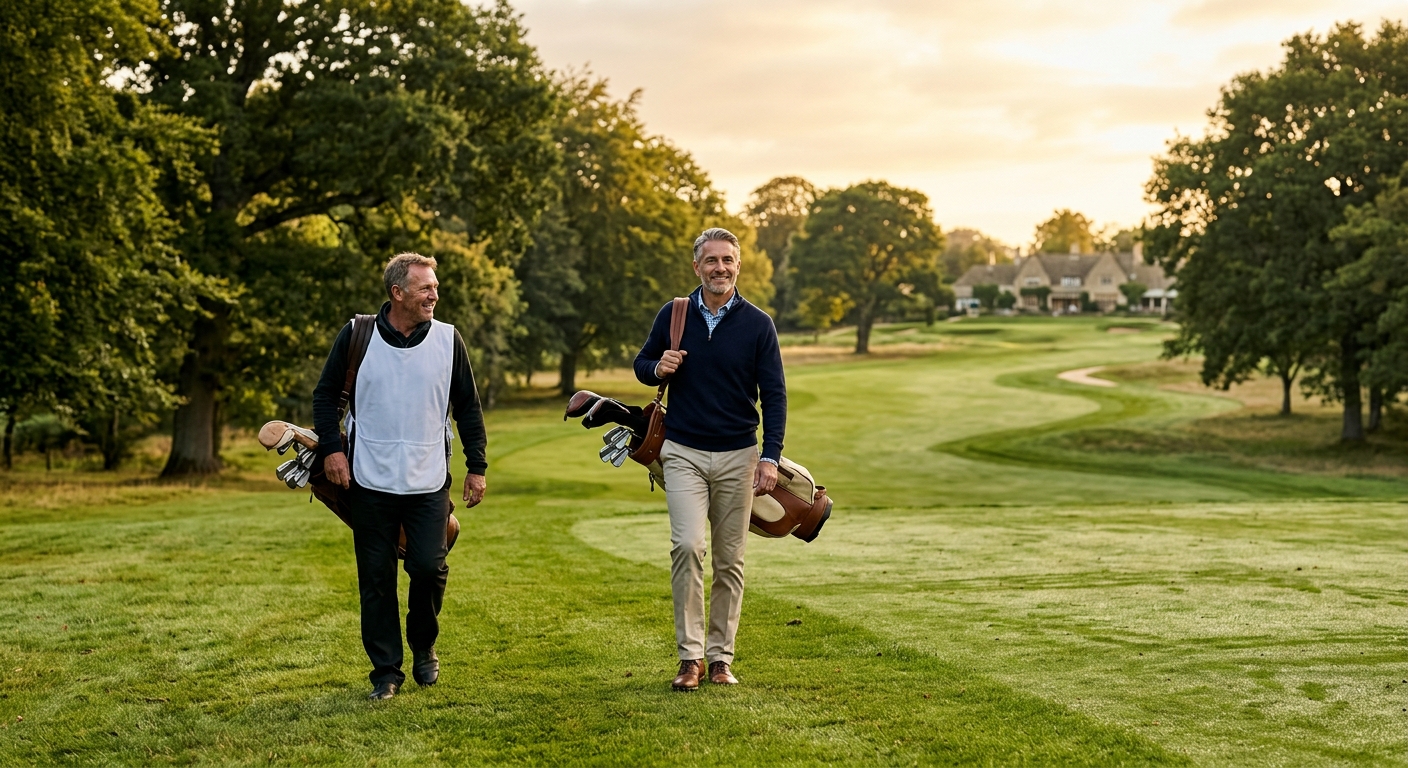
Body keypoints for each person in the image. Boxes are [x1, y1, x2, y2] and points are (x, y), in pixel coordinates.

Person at [312, 252, 488, 701]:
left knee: (429, 568)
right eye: (425, 288)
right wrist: (333, 450)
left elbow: (467, 407)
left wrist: (477, 466)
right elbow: (325, 395)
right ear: (398, 293)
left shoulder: (449, 340)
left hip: (429, 482)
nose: (434, 295)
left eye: (434, 287)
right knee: (376, 580)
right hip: (368, 481)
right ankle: (386, 673)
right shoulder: (357, 335)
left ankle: (424, 644)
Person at [633, 227, 787, 691]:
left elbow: (774, 395)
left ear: (738, 266)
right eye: (711, 261)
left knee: (730, 559)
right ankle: (690, 658)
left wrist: (770, 457)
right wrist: (658, 368)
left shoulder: (759, 324)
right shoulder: (674, 314)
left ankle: (721, 658)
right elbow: (642, 365)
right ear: (696, 266)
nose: (720, 268)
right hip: (682, 452)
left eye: (727, 260)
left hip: (740, 455)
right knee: (686, 546)